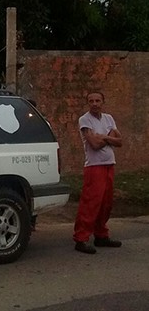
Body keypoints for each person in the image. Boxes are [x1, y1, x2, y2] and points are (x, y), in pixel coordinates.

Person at [73, 91, 123, 254]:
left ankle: (101, 235)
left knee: (106, 204)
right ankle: (81, 238)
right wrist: (109, 138)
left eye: (98, 100)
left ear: (103, 101)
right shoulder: (85, 120)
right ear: (88, 103)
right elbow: (93, 143)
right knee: (90, 203)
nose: (94, 103)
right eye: (91, 101)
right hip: (94, 167)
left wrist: (104, 137)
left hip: (109, 164)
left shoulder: (109, 118)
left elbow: (120, 141)